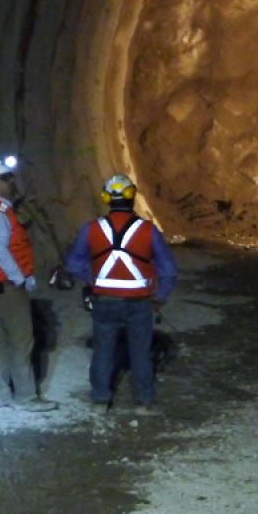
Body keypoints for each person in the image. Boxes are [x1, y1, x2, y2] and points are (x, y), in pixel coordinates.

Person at [64, 174, 178, 411]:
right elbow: (168, 269)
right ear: (132, 196)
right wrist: (160, 297)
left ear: (106, 197)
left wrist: (95, 280)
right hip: (139, 302)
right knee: (140, 351)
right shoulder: (148, 230)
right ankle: (143, 402)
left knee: (103, 350)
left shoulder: (91, 229)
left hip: (104, 300)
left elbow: (74, 264)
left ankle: (100, 400)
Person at [0, 156, 57, 411]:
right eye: (5, 179)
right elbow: (0, 252)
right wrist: (21, 279)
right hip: (5, 287)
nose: (10, 183)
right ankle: (26, 397)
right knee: (21, 341)